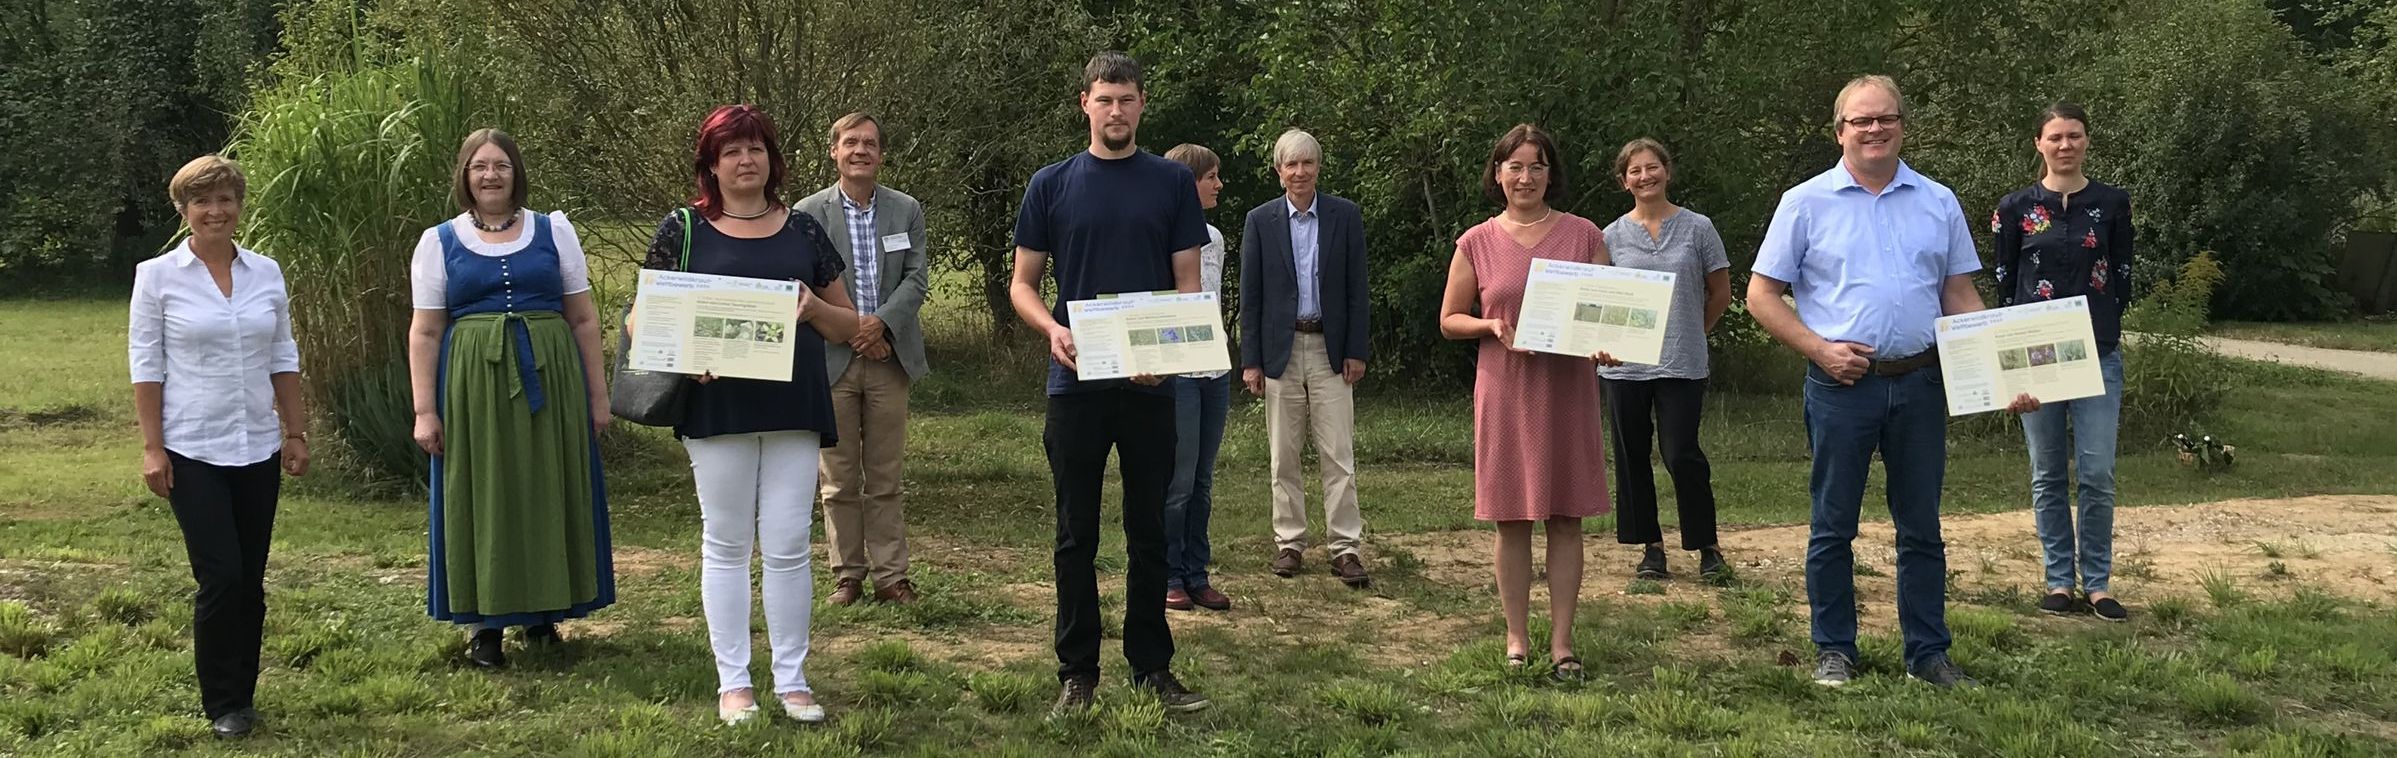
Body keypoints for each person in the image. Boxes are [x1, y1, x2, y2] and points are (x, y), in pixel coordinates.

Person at [1746, 76, 2036, 690]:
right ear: (1840, 131)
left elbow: (1958, 292)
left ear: (1903, 124)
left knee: (1921, 525)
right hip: (1840, 387)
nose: (1875, 129)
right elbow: (1761, 295)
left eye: (1886, 118)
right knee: (1833, 524)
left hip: (1921, 383)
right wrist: (1820, 350)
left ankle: (1928, 654)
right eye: (1861, 121)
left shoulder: (1938, 201)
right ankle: (1834, 649)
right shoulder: (1804, 202)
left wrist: (2002, 369)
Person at [639, 105, 860, 725]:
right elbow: (641, 319)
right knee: (728, 543)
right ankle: (733, 682)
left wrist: (812, 306)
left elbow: (850, 325)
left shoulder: (805, 231)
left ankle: (793, 680)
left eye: (756, 148)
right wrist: (687, 357)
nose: (745, 160)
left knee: (790, 544)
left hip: (793, 405)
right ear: (711, 162)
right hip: (717, 407)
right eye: (731, 150)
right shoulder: (683, 227)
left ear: (772, 158)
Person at [1009, 50, 1210, 714]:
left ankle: (1152, 666)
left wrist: (1171, 350)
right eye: (1104, 99)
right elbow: (1023, 284)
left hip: (1152, 380)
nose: (1115, 110)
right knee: (1075, 532)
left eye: (1126, 99)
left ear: (1141, 104)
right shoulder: (1052, 183)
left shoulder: (1170, 184)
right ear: (1084, 105)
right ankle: (1077, 671)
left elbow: (1187, 283)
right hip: (1076, 381)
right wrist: (1051, 330)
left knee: (1149, 527)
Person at [406, 129, 615, 670]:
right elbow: (425, 331)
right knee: (483, 489)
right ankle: (484, 625)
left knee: (544, 482)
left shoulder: (554, 231)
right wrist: (425, 409)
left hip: (551, 376)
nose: (491, 174)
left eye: (500, 164)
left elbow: (584, 318)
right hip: (472, 384)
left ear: (516, 172)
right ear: (465, 176)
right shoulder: (439, 241)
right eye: (479, 166)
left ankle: (543, 610)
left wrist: (599, 396)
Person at [130, 154, 309, 739]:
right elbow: (147, 367)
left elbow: (283, 356)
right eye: (202, 201)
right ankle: (221, 703)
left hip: (257, 444)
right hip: (191, 446)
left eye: (226, 199)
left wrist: (295, 432)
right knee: (222, 576)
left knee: (250, 579)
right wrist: (154, 449)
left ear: (239, 207)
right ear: (184, 211)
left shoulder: (267, 273)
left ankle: (244, 696)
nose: (216, 210)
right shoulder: (156, 277)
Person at [1437, 124, 1621, 684]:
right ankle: (1516, 637)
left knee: (1566, 518)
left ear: (1550, 173)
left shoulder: (1584, 235)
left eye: (1536, 166)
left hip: (1567, 391)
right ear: (1497, 174)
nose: (1525, 176)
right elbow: (1449, 319)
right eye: (1514, 166)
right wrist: (1490, 324)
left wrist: (1609, 344)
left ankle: (1563, 643)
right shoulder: (1476, 241)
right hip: (1507, 388)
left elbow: (1607, 311)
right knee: (1511, 519)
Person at [1991, 102, 2133, 622]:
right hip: (2034, 356)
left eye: (2074, 135)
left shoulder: (2112, 203)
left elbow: (2122, 275)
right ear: (2039, 144)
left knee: (2096, 471)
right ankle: (2058, 580)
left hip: (2097, 354)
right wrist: (2010, 363)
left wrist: (2100, 327)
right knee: (2047, 472)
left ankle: (2097, 583)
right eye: (2055, 136)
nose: (2065, 144)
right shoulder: (2015, 207)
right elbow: (2005, 284)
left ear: (2087, 141)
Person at [795, 112, 930, 607]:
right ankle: (847, 574)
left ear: (881, 154)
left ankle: (892, 576)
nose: (860, 151)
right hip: (832, 359)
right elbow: (803, 285)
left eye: (870, 143)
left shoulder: (906, 210)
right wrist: (855, 332)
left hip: (890, 357)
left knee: (886, 474)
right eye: (850, 142)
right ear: (834, 151)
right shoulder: (807, 213)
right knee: (838, 477)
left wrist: (880, 327)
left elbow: (916, 278)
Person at [1240, 129, 1373, 588]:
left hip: (1330, 350)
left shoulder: (1345, 216)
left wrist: (1356, 349)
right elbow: (1250, 296)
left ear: (1318, 168)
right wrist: (1251, 360)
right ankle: (1290, 542)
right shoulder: (1260, 221)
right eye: (1290, 165)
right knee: (1284, 453)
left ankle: (1345, 547)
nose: (1299, 172)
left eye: (1307, 163)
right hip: (1280, 351)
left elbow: (1358, 289)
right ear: (1278, 172)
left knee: (1338, 451)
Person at [1599, 138, 1732, 581]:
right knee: (1631, 454)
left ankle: (1706, 546)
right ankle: (1650, 547)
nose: (1644, 176)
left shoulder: (1698, 228)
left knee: (1682, 453)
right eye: (1634, 171)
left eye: (1651, 167)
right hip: (1624, 365)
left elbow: (1721, 291)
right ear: (1624, 182)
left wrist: (1695, 331)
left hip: (1682, 361)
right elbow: (1601, 298)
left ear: (1667, 172)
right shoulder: (1610, 236)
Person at [1161, 143, 1234, 612]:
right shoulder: (1158, 233)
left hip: (1215, 368)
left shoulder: (1216, 237)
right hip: (1177, 372)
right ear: (1189, 183)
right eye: (1212, 177)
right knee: (1178, 481)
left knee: (1204, 480)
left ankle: (1197, 573)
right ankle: (1168, 575)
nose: (1219, 184)